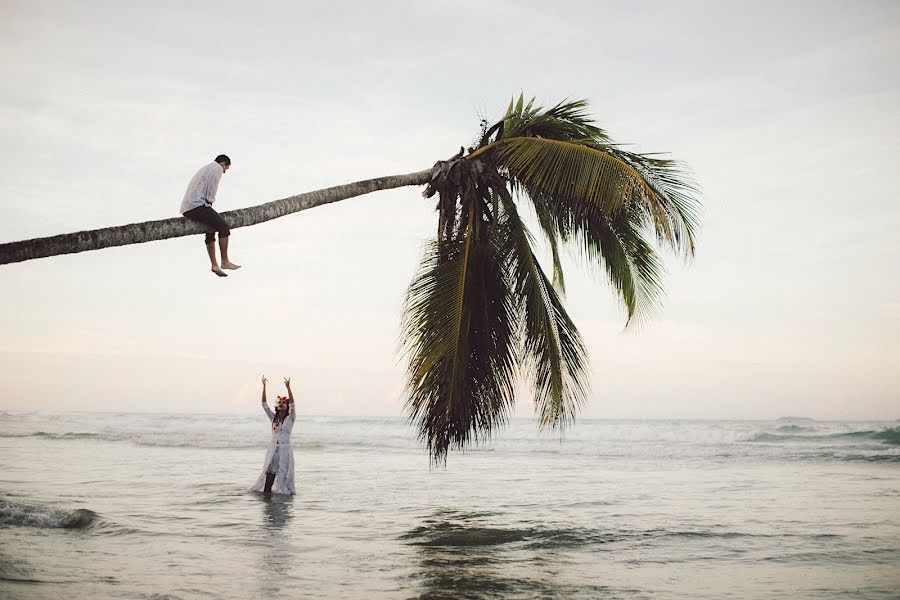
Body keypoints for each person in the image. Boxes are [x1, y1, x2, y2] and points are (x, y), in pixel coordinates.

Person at [180, 154, 241, 277]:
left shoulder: (207, 168)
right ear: (223, 164)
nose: (224, 172)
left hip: (188, 207)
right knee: (224, 227)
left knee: (211, 228)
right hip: (196, 206)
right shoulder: (216, 168)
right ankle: (224, 261)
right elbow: (212, 188)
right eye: (226, 169)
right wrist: (209, 202)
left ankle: (214, 265)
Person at [252, 376, 296, 495]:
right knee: (269, 474)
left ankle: (282, 503)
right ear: (277, 405)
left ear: (286, 406)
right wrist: (264, 387)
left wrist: (288, 388)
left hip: (285, 451)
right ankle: (267, 500)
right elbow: (264, 404)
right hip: (273, 450)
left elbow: (293, 404)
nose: (281, 404)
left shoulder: (290, 418)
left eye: (284, 403)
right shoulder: (273, 418)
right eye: (279, 402)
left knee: (284, 474)